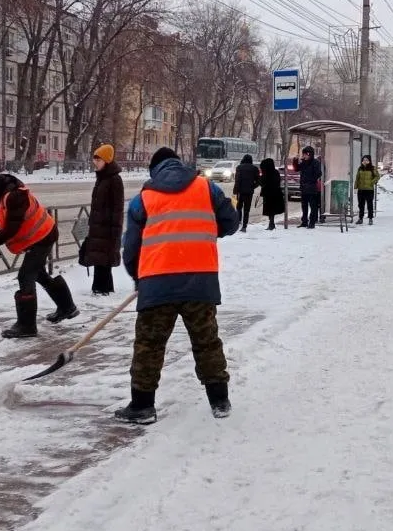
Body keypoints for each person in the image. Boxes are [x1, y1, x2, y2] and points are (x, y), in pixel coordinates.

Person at [115, 147, 241, 424]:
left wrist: (140, 279)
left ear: (155, 170)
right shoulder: (207, 188)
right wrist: (208, 229)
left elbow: (131, 248)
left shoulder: (143, 199)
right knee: (207, 341)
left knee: (149, 344)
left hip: (158, 283)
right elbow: (231, 223)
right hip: (201, 281)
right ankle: (220, 400)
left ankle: (142, 406)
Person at [0, 165, 79, 338]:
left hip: (43, 235)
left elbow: (9, 231)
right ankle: (67, 307)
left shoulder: (15, 195)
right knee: (37, 273)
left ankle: (27, 326)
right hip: (34, 237)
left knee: (26, 275)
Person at [80, 144, 124, 296]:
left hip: (107, 228)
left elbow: (117, 209)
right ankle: (100, 289)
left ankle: (103, 290)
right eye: (95, 160)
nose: (95, 163)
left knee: (104, 261)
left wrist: (114, 233)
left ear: (106, 161)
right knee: (99, 260)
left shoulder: (114, 180)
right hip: (98, 227)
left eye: (98, 160)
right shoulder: (102, 178)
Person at [297, 146, 323, 229]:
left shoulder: (315, 163)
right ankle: (304, 221)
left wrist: (311, 180)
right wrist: (295, 160)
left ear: (309, 154)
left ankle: (312, 222)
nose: (304, 156)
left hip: (312, 188)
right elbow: (297, 168)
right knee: (304, 206)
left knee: (313, 206)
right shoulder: (303, 163)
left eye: (305, 154)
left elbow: (319, 173)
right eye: (303, 154)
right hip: (304, 188)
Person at [233, 154, 260, 232]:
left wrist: (235, 191)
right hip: (249, 192)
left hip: (240, 192)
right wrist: (252, 186)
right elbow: (258, 181)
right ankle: (244, 226)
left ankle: (238, 222)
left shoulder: (239, 167)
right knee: (246, 209)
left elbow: (237, 180)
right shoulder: (254, 168)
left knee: (238, 207)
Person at [258, 157, 286, 230]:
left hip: (268, 195)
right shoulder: (275, 172)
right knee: (272, 210)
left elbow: (261, 182)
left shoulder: (266, 174)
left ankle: (271, 224)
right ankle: (271, 223)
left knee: (270, 210)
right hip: (276, 194)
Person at [354, 154, 380, 225]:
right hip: (361, 189)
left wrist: (372, 182)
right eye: (364, 160)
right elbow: (357, 178)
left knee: (369, 205)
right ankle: (360, 218)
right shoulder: (360, 168)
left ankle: (370, 219)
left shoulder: (372, 168)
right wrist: (355, 187)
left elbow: (377, 176)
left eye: (367, 160)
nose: (365, 161)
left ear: (369, 161)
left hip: (369, 190)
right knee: (361, 205)